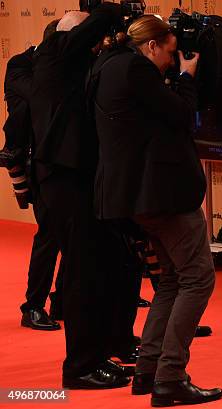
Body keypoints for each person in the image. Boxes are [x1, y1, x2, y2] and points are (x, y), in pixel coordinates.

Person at [92, 15, 222, 406]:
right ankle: (170, 377)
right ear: (151, 46)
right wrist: (186, 77)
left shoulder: (108, 64)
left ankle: (148, 371)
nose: (172, 58)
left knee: (171, 279)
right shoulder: (137, 70)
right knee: (198, 278)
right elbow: (182, 115)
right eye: (168, 51)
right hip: (162, 195)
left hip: (133, 196)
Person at [29, 4, 133, 388]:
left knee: (92, 272)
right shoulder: (56, 55)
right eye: (87, 38)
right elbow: (97, 23)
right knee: (82, 275)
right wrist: (118, 10)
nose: (95, 46)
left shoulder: (65, 66)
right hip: (65, 181)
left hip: (74, 180)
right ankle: (80, 367)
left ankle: (96, 355)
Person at [0, 19, 65, 332]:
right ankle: (33, 306)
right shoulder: (21, 65)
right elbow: (39, 98)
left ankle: (63, 298)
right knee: (50, 233)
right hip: (33, 160)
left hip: (65, 159)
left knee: (76, 234)